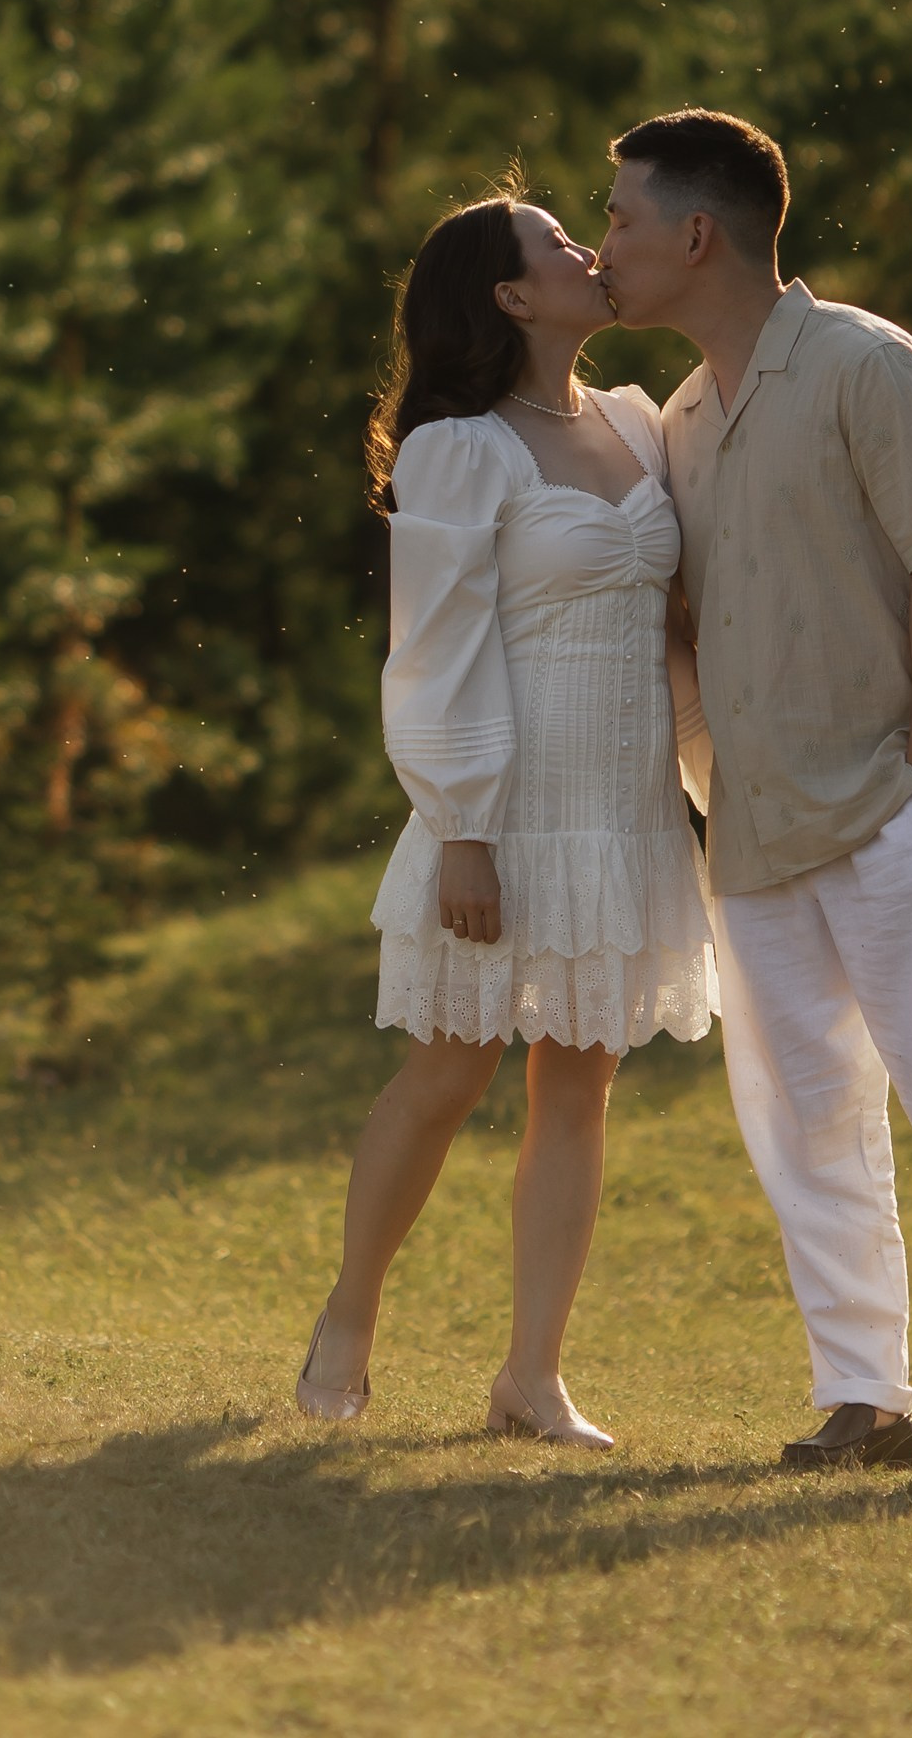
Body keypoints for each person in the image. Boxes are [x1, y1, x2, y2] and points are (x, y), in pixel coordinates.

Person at [598, 107, 912, 1500]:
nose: (603, 242)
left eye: (620, 216)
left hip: (897, 810)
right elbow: (688, 618)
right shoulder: (680, 423)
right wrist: (701, 780)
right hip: (752, 831)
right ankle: (861, 1398)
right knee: (801, 1124)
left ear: (697, 234)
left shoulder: (872, 367)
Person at [295, 189, 714, 1446]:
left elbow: (683, 627)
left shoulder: (644, 426)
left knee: (576, 1083)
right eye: (553, 243)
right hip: (504, 805)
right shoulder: (458, 447)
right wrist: (461, 827)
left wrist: (714, 779)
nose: (587, 249)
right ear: (510, 296)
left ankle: (531, 1378)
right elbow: (431, 649)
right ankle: (348, 1316)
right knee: (446, 1070)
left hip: (622, 812)